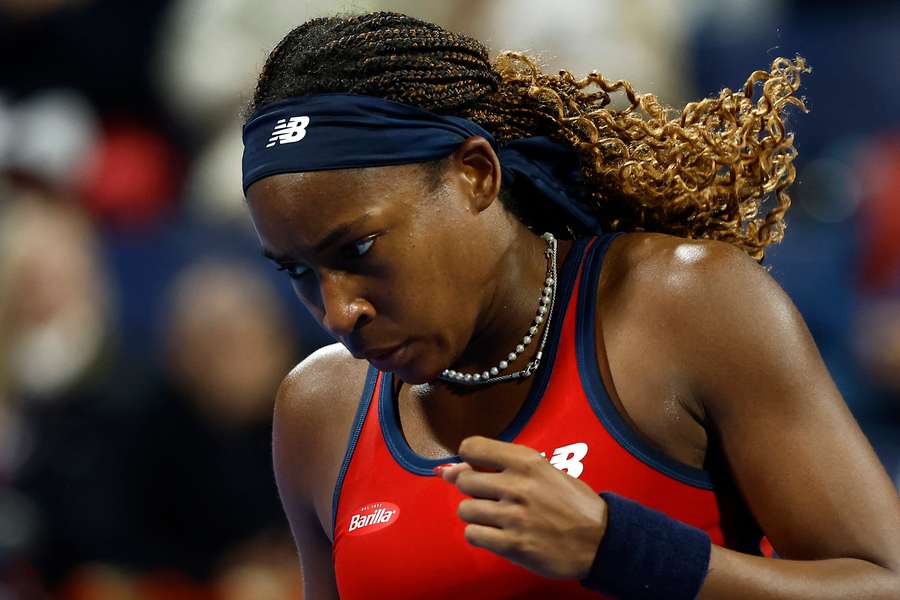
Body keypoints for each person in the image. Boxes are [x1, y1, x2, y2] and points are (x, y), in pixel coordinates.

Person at [240, 12, 900, 600]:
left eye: (357, 249)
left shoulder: (685, 305)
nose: (336, 312)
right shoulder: (317, 409)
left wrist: (620, 551)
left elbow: (883, 583)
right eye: (299, 271)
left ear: (475, 175)